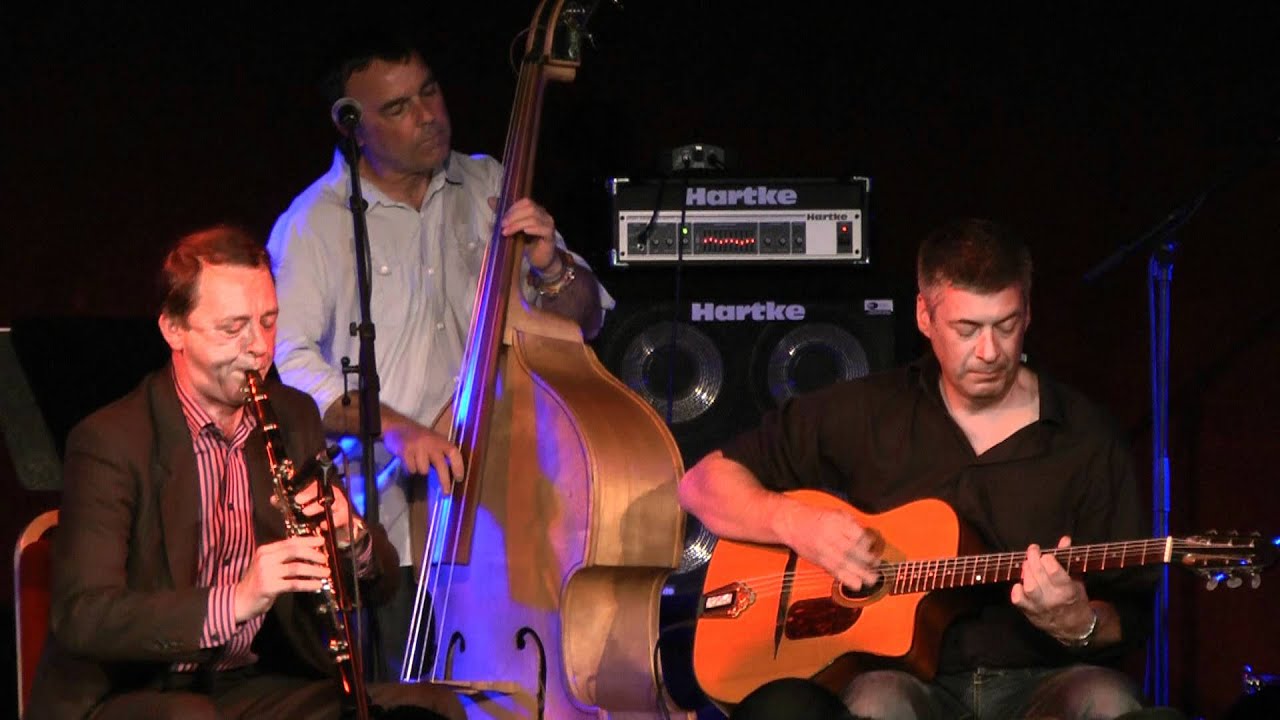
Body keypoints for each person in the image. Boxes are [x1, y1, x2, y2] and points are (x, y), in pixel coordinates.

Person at [679, 218, 1156, 720]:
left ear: (1029, 313)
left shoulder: (1087, 436)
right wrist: (797, 524)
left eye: (1006, 326)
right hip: (903, 682)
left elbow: (1131, 615)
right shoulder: (868, 410)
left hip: (1046, 681)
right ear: (924, 317)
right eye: (966, 329)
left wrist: (1080, 622)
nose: (990, 352)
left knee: (1109, 701)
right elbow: (700, 485)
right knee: (876, 704)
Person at [267, 30, 612, 681]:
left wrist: (551, 264)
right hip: (387, 524)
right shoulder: (314, 223)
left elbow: (586, 320)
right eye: (398, 108)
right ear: (352, 124)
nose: (428, 116)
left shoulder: (491, 184)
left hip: (507, 504)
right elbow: (289, 367)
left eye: (429, 92)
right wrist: (397, 428)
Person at [28, 226, 465, 720]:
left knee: (433, 705)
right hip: (131, 690)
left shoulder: (293, 416)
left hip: (246, 684)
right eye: (232, 328)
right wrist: (235, 600)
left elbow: (378, 588)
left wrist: (350, 537)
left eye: (268, 321)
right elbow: (84, 615)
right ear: (174, 330)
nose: (258, 347)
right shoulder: (111, 441)